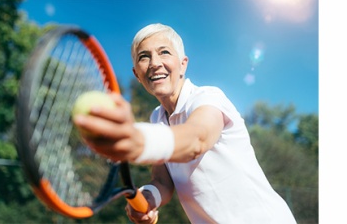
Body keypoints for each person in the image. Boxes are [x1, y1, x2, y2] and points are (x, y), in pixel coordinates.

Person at [73, 23, 297, 224]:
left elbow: (197, 139)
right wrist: (149, 197)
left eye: (164, 52)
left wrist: (137, 140)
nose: (154, 63)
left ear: (183, 65)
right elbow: (163, 181)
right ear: (137, 74)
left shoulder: (208, 97)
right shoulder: (156, 119)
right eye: (144, 57)